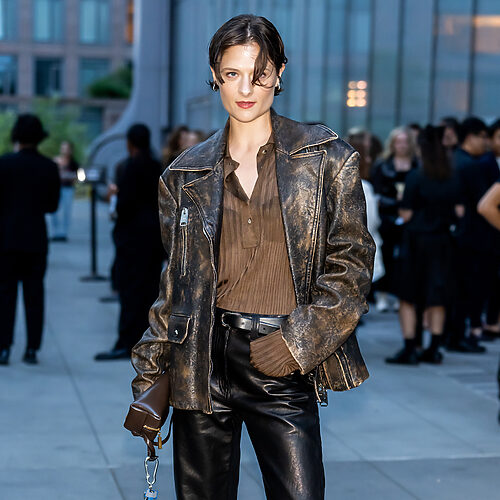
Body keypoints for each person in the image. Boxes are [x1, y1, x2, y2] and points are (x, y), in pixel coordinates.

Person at [130, 14, 374, 500]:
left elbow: (352, 266)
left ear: (279, 73)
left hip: (280, 356)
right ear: (215, 75)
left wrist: (298, 341)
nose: (246, 88)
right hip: (199, 361)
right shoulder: (184, 173)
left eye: (259, 74)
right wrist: (151, 372)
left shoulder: (326, 159)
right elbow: (176, 283)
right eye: (232, 73)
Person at [385, 126, 462, 365]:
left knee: (408, 296)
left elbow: (406, 214)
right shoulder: (453, 176)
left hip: (416, 242)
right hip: (443, 242)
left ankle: (410, 348)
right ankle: (434, 349)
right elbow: (460, 211)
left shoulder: (415, 176)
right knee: (437, 296)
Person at [95, 124, 164, 361]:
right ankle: (147, 339)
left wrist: (115, 201)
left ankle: (127, 341)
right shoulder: (156, 165)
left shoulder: (131, 167)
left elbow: (124, 205)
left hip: (134, 238)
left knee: (130, 292)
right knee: (149, 291)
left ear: (130, 143)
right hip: (154, 237)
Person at [0, 114, 60, 365]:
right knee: (34, 294)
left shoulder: (4, 164)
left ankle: (4, 347)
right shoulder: (49, 167)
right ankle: (32, 348)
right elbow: (52, 206)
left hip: (7, 238)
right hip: (35, 238)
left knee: (5, 294)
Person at [446, 117, 499, 352]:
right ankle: (458, 336)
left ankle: (453, 335)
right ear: (471, 137)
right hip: (473, 237)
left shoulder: (454, 159)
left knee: (458, 289)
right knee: (467, 289)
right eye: (483, 137)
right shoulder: (471, 165)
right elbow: (483, 205)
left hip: (457, 234)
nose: (486, 142)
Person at [371, 126, 419, 312]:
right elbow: (376, 193)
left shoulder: (417, 164)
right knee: (386, 255)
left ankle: (401, 295)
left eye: (405, 142)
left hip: (410, 218)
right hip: (387, 217)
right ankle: (382, 295)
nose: (402, 145)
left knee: (406, 259)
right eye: (398, 142)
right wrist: (395, 201)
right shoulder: (383, 164)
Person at [50, 141, 79, 242]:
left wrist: (71, 177)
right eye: (63, 148)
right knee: (54, 211)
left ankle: (63, 233)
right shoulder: (56, 161)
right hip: (56, 188)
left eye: (67, 148)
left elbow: (78, 177)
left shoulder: (73, 163)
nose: (65, 151)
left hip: (68, 188)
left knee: (66, 211)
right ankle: (55, 232)